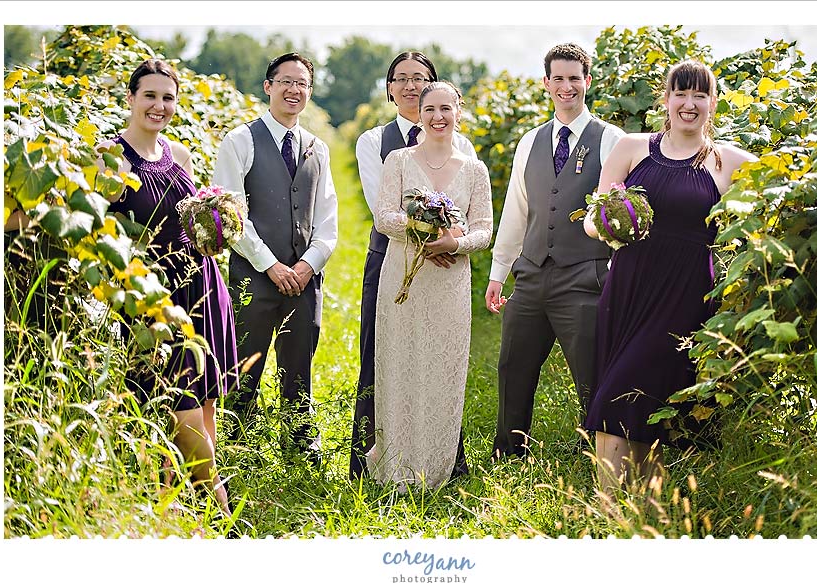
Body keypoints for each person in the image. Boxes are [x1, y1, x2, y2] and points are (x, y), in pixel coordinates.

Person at [583, 60, 756, 495]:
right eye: (681, 93)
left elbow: (782, 186)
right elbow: (591, 219)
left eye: (700, 95)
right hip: (628, 290)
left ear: (713, 103)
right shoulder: (631, 148)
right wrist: (611, 221)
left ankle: (622, 512)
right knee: (620, 398)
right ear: (666, 99)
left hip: (685, 297)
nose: (689, 103)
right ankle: (626, 512)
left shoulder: (727, 162)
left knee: (642, 397)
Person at [98, 58, 238, 515]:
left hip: (200, 283)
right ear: (131, 99)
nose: (159, 106)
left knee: (205, 400)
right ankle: (219, 506)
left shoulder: (180, 156)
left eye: (168, 97)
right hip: (152, 294)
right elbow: (100, 232)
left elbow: (193, 222)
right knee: (176, 403)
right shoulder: (110, 158)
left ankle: (181, 505)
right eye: (150, 96)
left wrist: (220, 220)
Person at [486, 44, 625, 459]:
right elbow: (517, 209)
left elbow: (620, 214)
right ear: (546, 84)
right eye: (558, 79)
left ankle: (600, 458)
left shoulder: (610, 140)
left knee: (590, 373)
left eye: (574, 78)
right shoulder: (530, 141)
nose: (567, 87)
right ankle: (509, 454)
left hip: (586, 276)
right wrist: (498, 272)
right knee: (513, 367)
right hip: (530, 274)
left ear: (588, 81)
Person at [349, 51, 477, 480]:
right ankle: (373, 456)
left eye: (419, 79)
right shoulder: (374, 142)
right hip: (392, 259)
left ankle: (442, 458)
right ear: (390, 89)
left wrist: (451, 243)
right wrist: (428, 239)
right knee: (380, 357)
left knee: (442, 361)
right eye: (401, 79)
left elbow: (469, 213)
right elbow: (378, 205)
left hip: (445, 265)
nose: (410, 86)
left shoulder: (464, 148)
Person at [213, 53, 338, 466]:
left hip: (304, 278)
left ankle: (300, 445)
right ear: (268, 86)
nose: (294, 90)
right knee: (245, 362)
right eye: (285, 81)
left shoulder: (317, 149)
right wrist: (271, 265)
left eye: (302, 83)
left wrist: (307, 265)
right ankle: (237, 445)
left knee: (299, 360)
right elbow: (229, 214)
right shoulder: (240, 140)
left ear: (310, 91)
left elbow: (327, 219)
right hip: (254, 274)